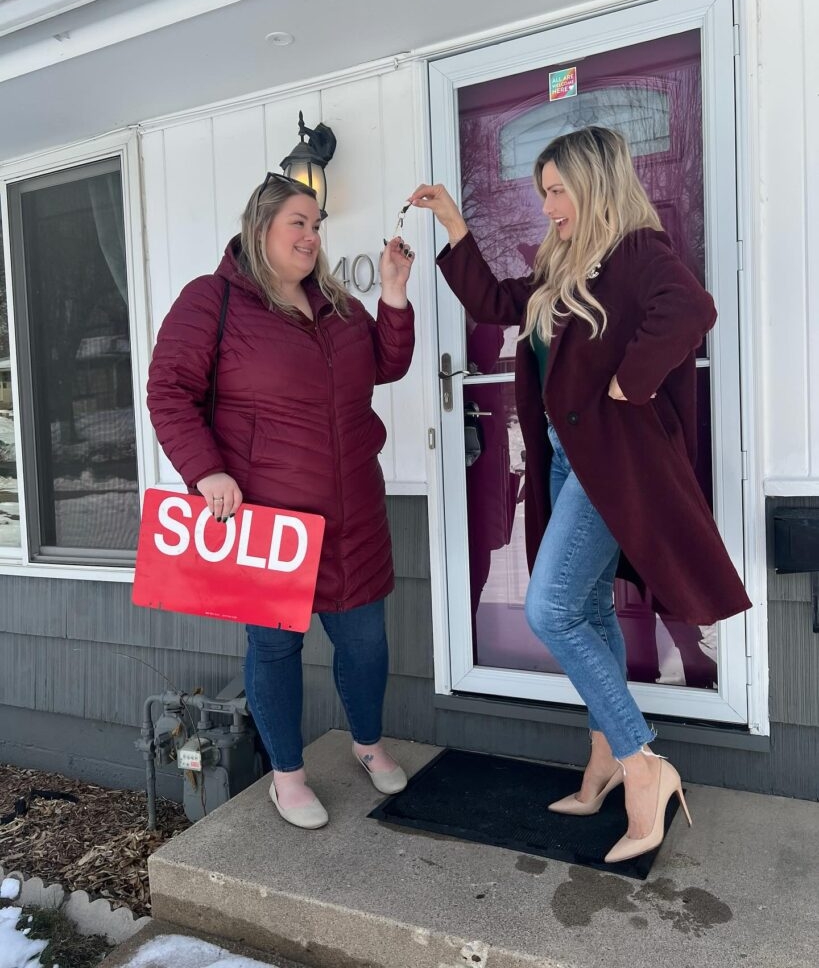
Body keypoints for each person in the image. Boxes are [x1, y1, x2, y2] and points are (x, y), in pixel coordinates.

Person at [409, 126, 751, 863]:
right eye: (541, 193)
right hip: (566, 462)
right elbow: (497, 302)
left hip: (610, 463)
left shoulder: (636, 253)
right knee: (585, 607)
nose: (547, 206)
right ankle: (601, 763)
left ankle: (640, 765)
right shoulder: (561, 261)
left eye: (557, 190)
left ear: (596, 184)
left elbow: (690, 309)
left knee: (549, 608)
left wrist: (628, 381)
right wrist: (455, 227)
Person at [147, 172, 416, 830]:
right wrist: (205, 471)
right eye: (298, 221)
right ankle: (288, 777)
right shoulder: (212, 302)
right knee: (274, 651)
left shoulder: (335, 303)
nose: (311, 234)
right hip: (270, 524)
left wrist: (391, 294)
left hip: (353, 516)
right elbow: (168, 391)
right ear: (259, 227)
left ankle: (367, 744)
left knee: (366, 646)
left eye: (317, 225)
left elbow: (388, 363)